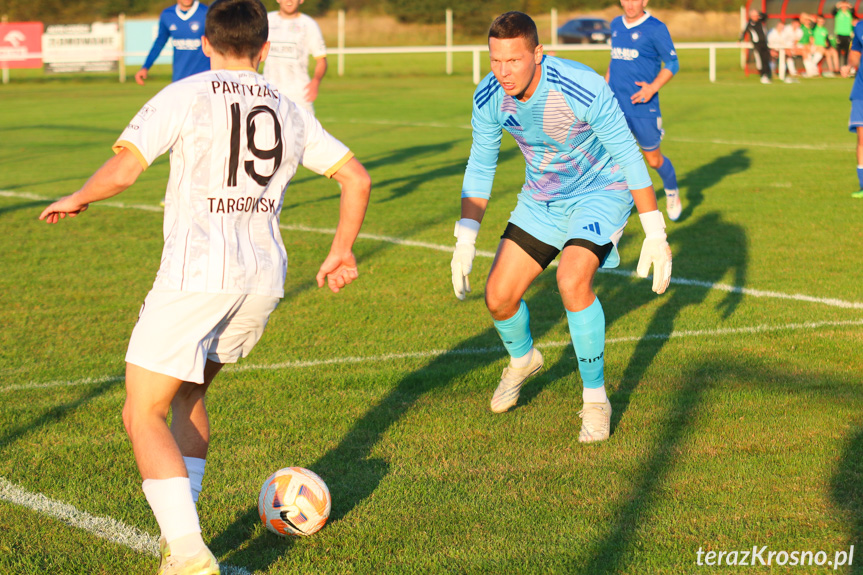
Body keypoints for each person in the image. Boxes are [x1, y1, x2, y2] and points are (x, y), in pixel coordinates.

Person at [39, 0, 371, 572]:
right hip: (264, 281)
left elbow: (123, 169)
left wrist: (78, 196)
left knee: (141, 412)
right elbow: (355, 176)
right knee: (189, 393)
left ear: (205, 46)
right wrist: (340, 250)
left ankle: (190, 554)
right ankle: (180, 539)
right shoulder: (289, 107)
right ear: (266, 49)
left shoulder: (186, 94)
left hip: (198, 276)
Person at [450, 11, 672, 444]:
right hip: (542, 199)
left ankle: (595, 400)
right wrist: (465, 237)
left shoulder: (580, 85)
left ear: (538, 53)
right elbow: (480, 164)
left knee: (572, 280)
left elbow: (628, 154)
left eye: (513, 61)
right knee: (497, 298)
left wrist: (655, 230)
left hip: (602, 191)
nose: (503, 72)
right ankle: (523, 359)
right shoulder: (489, 96)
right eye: (495, 61)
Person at [607, 0, 683, 222]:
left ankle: (671, 191)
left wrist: (652, 88)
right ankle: (612, 207)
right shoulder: (615, 24)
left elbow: (672, 63)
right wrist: (605, 87)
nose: (630, 4)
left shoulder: (656, 28)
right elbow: (614, 60)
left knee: (653, 160)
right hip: (615, 107)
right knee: (610, 160)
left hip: (643, 108)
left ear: (645, 1)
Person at [263, 0, 327, 113]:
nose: (289, 1)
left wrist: (315, 82)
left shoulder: (308, 24)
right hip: (269, 92)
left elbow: (321, 60)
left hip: (299, 94)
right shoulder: (267, 20)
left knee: (305, 130)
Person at [135, 0, 211, 85]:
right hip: (179, 79)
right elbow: (159, 43)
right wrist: (145, 67)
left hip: (204, 77)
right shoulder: (167, 14)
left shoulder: (207, 13)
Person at [841, 18, 863, 197]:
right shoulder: (860, 27)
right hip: (861, 91)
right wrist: (849, 65)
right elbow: (855, 52)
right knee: (862, 138)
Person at [741, 9, 773, 83]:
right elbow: (744, 32)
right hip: (757, 45)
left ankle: (767, 75)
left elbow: (766, 16)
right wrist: (740, 40)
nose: (755, 17)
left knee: (766, 59)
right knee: (760, 60)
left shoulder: (760, 21)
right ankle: (763, 75)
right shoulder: (749, 23)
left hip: (764, 43)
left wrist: (759, 14)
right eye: (754, 16)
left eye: (756, 15)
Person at [833, 0, 854, 67]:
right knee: (838, 52)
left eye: (845, 6)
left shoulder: (849, 13)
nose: (844, 7)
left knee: (847, 52)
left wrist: (849, 5)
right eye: (843, 6)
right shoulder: (838, 13)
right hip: (839, 34)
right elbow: (833, 12)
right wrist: (838, 5)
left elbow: (853, 11)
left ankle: (845, 67)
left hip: (848, 35)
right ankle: (837, 68)